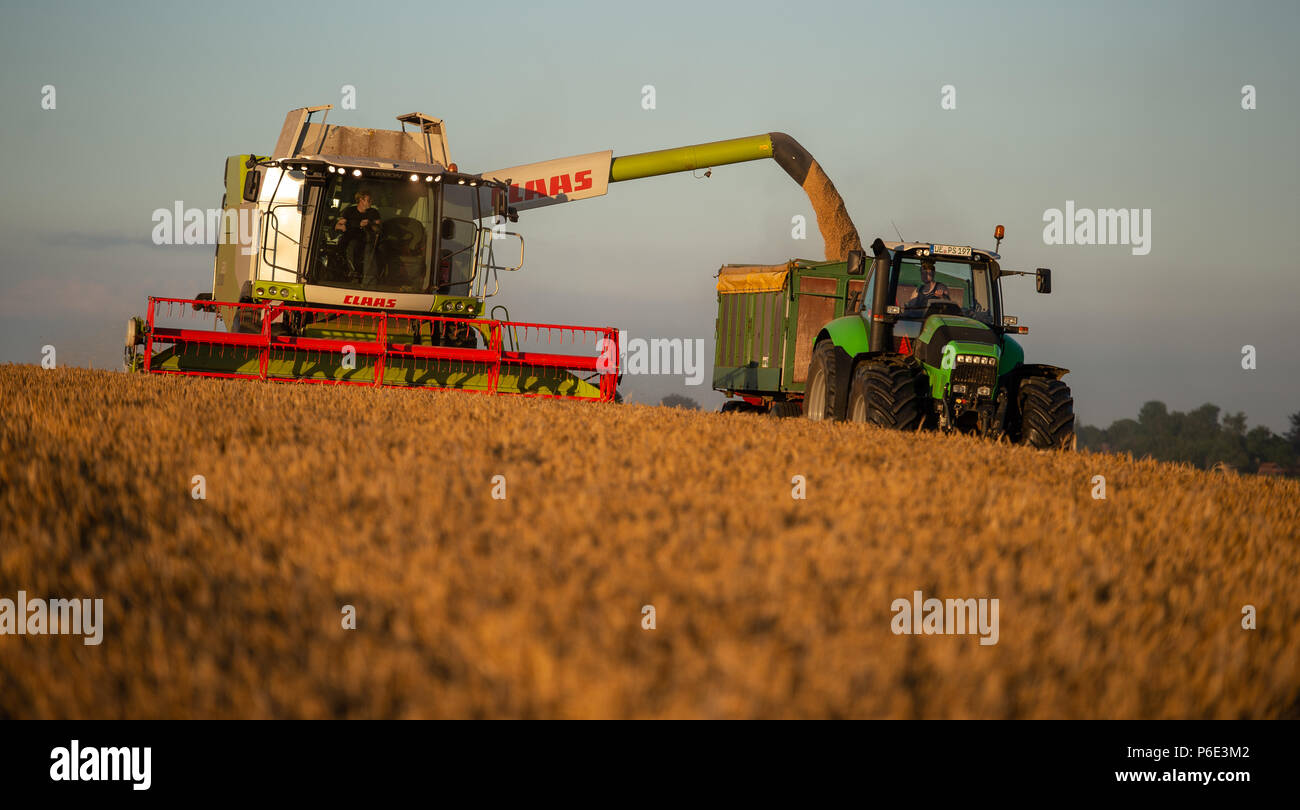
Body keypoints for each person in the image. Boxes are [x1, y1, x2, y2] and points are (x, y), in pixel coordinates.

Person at [334, 191, 383, 281]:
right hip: (349, 238)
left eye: (371, 200)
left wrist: (370, 224)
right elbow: (338, 225)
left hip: (367, 240)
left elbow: (378, 229)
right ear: (361, 200)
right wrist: (343, 226)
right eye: (369, 200)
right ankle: (348, 271)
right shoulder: (350, 211)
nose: (371, 202)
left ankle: (361, 274)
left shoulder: (374, 212)